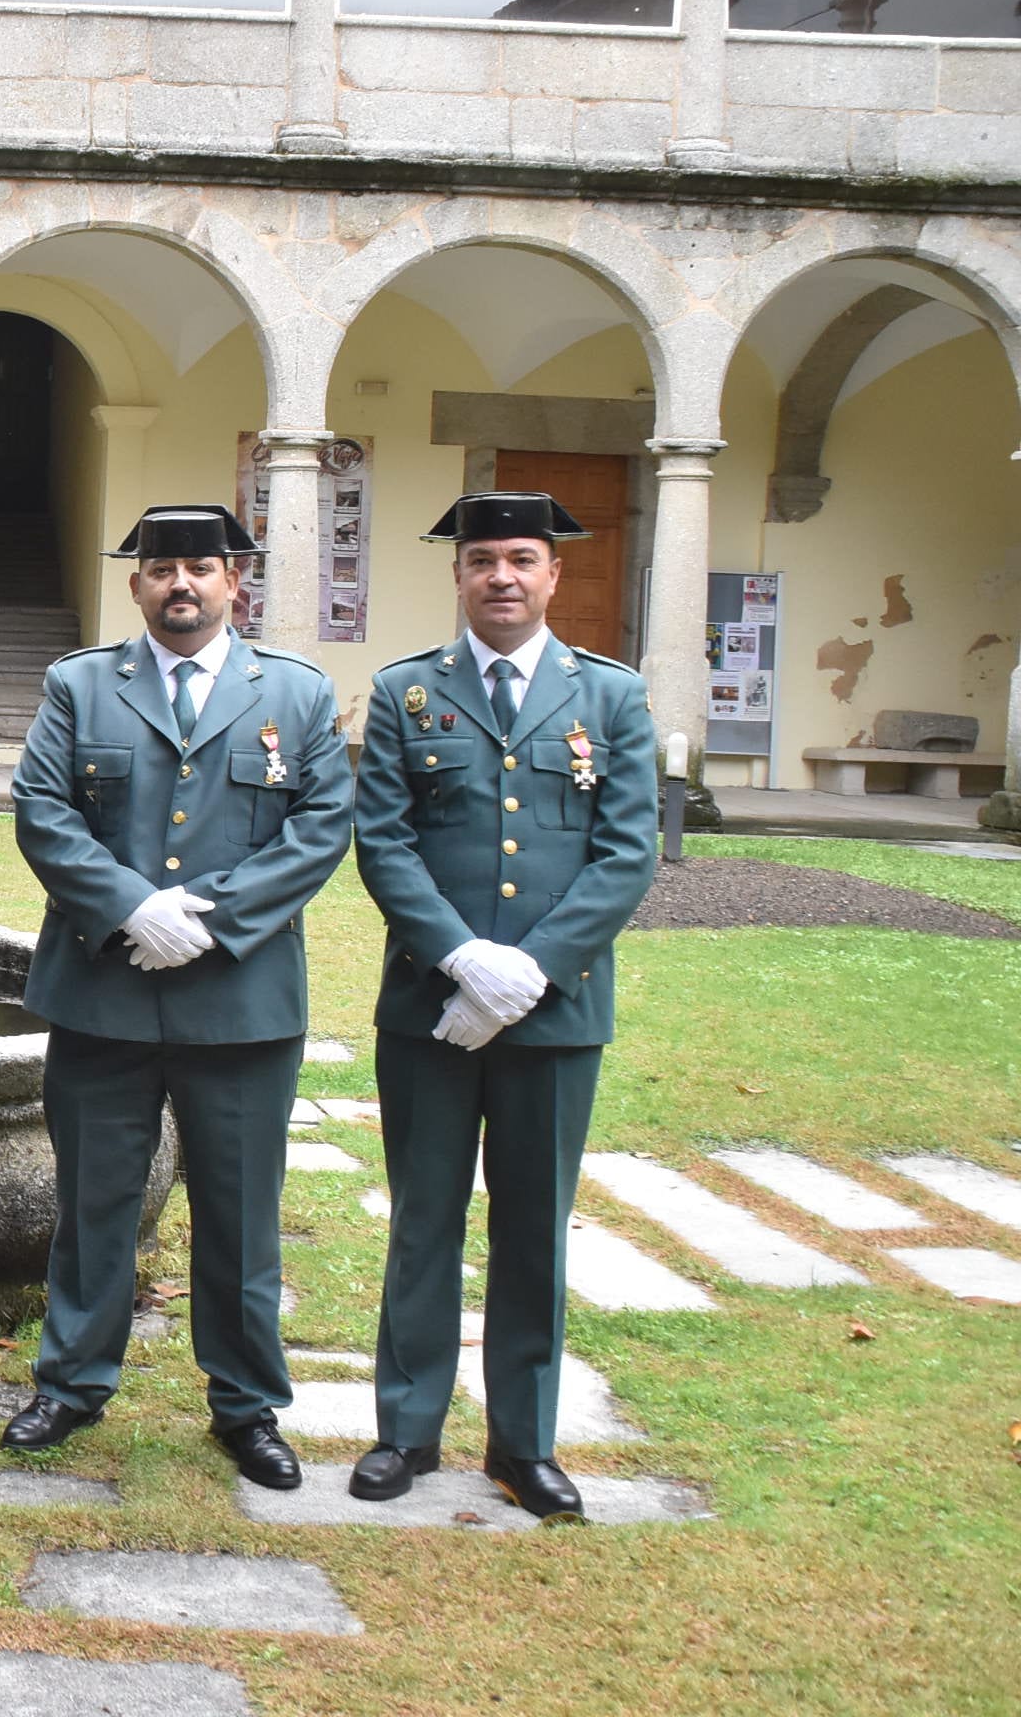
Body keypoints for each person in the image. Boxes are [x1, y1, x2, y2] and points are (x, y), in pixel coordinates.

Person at [1, 503, 353, 1489]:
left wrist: (208, 917)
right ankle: (70, 1382)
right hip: (104, 992)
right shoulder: (79, 685)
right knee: (94, 1205)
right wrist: (129, 907)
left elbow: (322, 824)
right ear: (136, 583)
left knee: (241, 1216)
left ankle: (246, 1403)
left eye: (201, 566)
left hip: (239, 1002)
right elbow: (41, 805)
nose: (181, 584)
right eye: (161, 568)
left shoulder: (295, 692)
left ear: (235, 579)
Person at [350, 492, 656, 1520]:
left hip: (555, 1016)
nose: (502, 577)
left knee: (534, 1228)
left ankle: (523, 1443)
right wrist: (460, 959)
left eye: (522, 558)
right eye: (482, 559)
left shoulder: (607, 697)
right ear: (459, 575)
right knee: (423, 1219)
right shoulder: (405, 692)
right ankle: (406, 1427)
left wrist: (530, 971)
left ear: (553, 574)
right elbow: (382, 841)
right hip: (429, 1013)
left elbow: (625, 852)